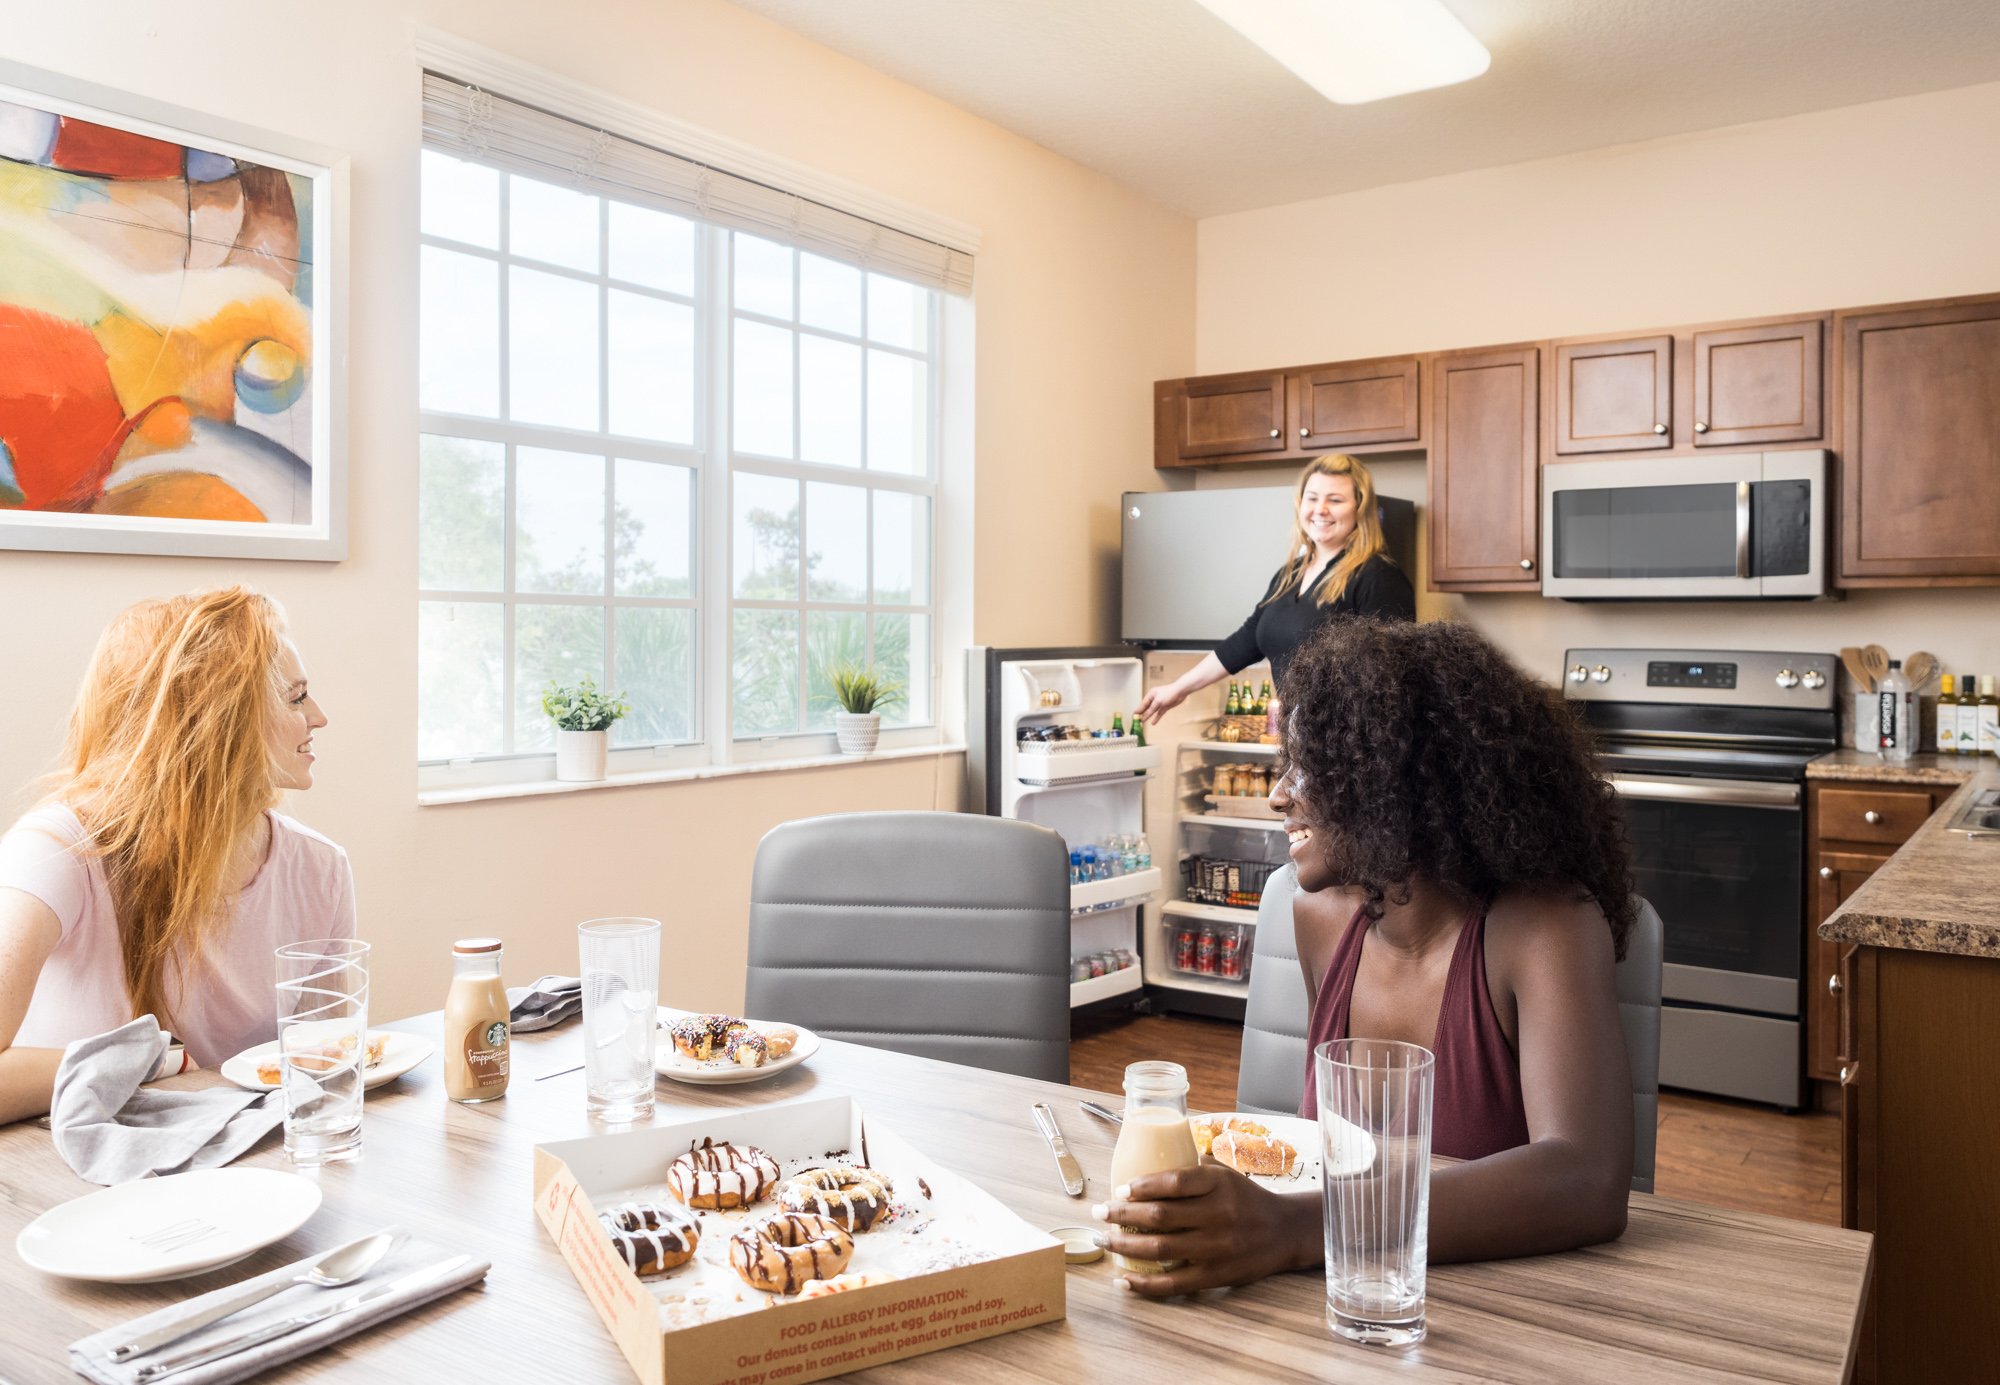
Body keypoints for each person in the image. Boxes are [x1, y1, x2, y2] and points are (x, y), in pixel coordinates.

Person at [1100, 619, 1637, 1292]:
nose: (1278, 794)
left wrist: (1296, 1229)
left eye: (1308, 766)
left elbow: (1586, 1178)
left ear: (1396, 779)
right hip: (1328, 1297)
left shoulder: (1542, 928)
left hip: (1495, 1312)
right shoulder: (1319, 917)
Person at [0, 586, 353, 1124]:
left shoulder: (320, 870)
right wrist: (144, 1063)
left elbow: (324, 1073)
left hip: (241, 1168)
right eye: (295, 697)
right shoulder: (55, 852)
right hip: (64, 1177)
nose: (319, 717)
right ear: (217, 718)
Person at [1134, 454, 1414, 725]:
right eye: (1312, 498)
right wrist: (1179, 688)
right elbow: (1247, 640)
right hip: (1303, 739)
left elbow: (1388, 678)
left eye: (1335, 500)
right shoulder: (1291, 573)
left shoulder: (1378, 576)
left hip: (1350, 748)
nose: (1320, 509)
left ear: (1360, 509)